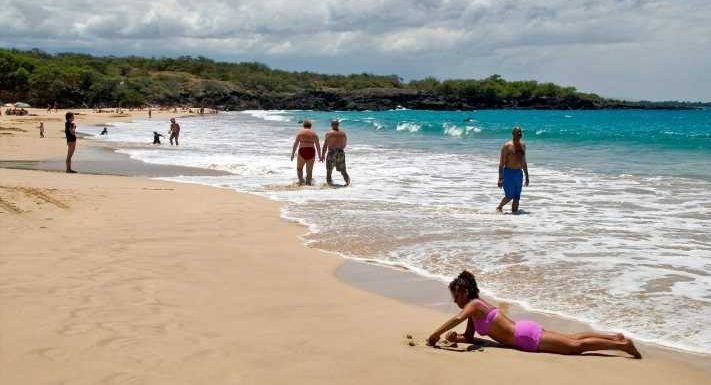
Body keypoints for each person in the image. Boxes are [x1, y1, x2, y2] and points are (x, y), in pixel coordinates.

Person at [427, 271, 642, 358]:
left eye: (456, 296)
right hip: (525, 332)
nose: (454, 301)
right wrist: (458, 338)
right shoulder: (474, 312)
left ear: (464, 293)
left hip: (526, 338)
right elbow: (471, 337)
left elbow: (456, 318)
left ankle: (623, 346)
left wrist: (434, 335)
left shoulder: (473, 305)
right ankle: (615, 338)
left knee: (576, 348)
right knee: (573, 339)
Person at [497, 126, 529, 213]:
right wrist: (500, 178)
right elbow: (501, 163)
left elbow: (524, 162)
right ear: (513, 134)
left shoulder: (523, 145)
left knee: (517, 196)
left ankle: (514, 217)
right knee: (509, 195)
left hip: (519, 173)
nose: (519, 134)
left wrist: (527, 176)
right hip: (508, 173)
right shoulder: (507, 146)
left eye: (520, 133)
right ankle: (499, 207)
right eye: (517, 133)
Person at [290, 119, 322, 185]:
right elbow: (318, 145)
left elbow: (295, 144)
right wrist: (320, 156)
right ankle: (308, 184)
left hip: (302, 151)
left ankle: (301, 181)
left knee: (299, 168)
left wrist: (293, 154)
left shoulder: (300, 133)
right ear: (310, 126)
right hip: (311, 152)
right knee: (309, 171)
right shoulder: (314, 134)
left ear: (303, 125)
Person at [321, 119, 350, 186]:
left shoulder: (329, 134)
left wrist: (323, 155)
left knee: (329, 171)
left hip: (332, 152)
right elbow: (344, 145)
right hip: (340, 152)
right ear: (338, 125)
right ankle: (348, 183)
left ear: (331, 125)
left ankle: (330, 184)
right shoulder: (343, 134)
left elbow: (325, 145)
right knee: (343, 170)